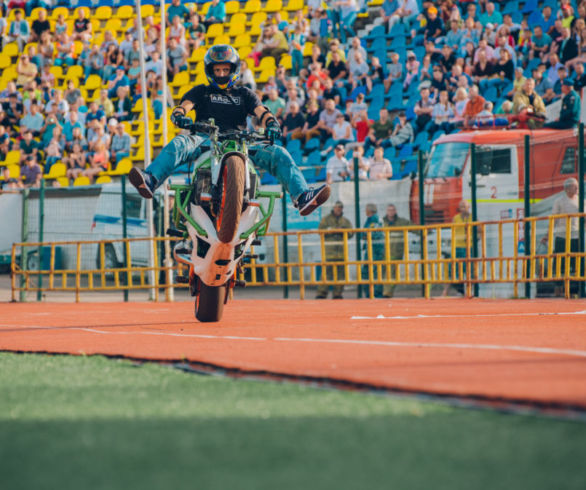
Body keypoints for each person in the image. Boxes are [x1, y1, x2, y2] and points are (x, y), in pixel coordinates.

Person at [129, 45, 329, 216]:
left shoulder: (244, 93)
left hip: (242, 141)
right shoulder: (201, 91)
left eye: (226, 69)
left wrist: (271, 123)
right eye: (217, 70)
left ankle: (302, 196)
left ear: (233, 69)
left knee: (279, 153)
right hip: (205, 138)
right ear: (210, 71)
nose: (222, 74)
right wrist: (179, 114)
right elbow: (186, 105)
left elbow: (261, 110)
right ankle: (151, 179)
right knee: (180, 143)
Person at [316, 201, 353, 299]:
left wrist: (343, 231)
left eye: (340, 208)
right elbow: (320, 231)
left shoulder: (345, 221)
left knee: (340, 274)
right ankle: (322, 293)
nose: (338, 209)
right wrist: (332, 229)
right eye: (337, 207)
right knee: (326, 273)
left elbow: (351, 233)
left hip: (341, 252)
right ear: (333, 208)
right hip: (329, 252)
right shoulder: (326, 220)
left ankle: (338, 293)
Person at [442, 200, 473, 296]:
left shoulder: (472, 217)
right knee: (453, 269)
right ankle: (446, 291)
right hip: (457, 246)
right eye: (461, 206)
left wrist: (475, 239)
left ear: (469, 207)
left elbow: (479, 229)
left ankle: (468, 290)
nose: (463, 208)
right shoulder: (456, 218)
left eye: (465, 206)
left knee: (467, 269)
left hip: (468, 246)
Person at [381, 203, 411, 297]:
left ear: (395, 211)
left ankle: (388, 293)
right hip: (383, 253)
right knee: (383, 273)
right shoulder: (382, 222)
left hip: (396, 252)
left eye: (392, 210)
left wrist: (426, 232)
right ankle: (384, 291)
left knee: (391, 273)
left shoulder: (401, 222)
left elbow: (413, 227)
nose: (391, 212)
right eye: (389, 210)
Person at [360, 203, 384, 297]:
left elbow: (371, 234)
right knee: (366, 270)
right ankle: (369, 293)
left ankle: (375, 293)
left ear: (369, 210)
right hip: (370, 248)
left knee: (374, 271)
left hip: (375, 248)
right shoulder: (370, 219)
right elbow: (364, 234)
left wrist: (365, 235)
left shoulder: (375, 219)